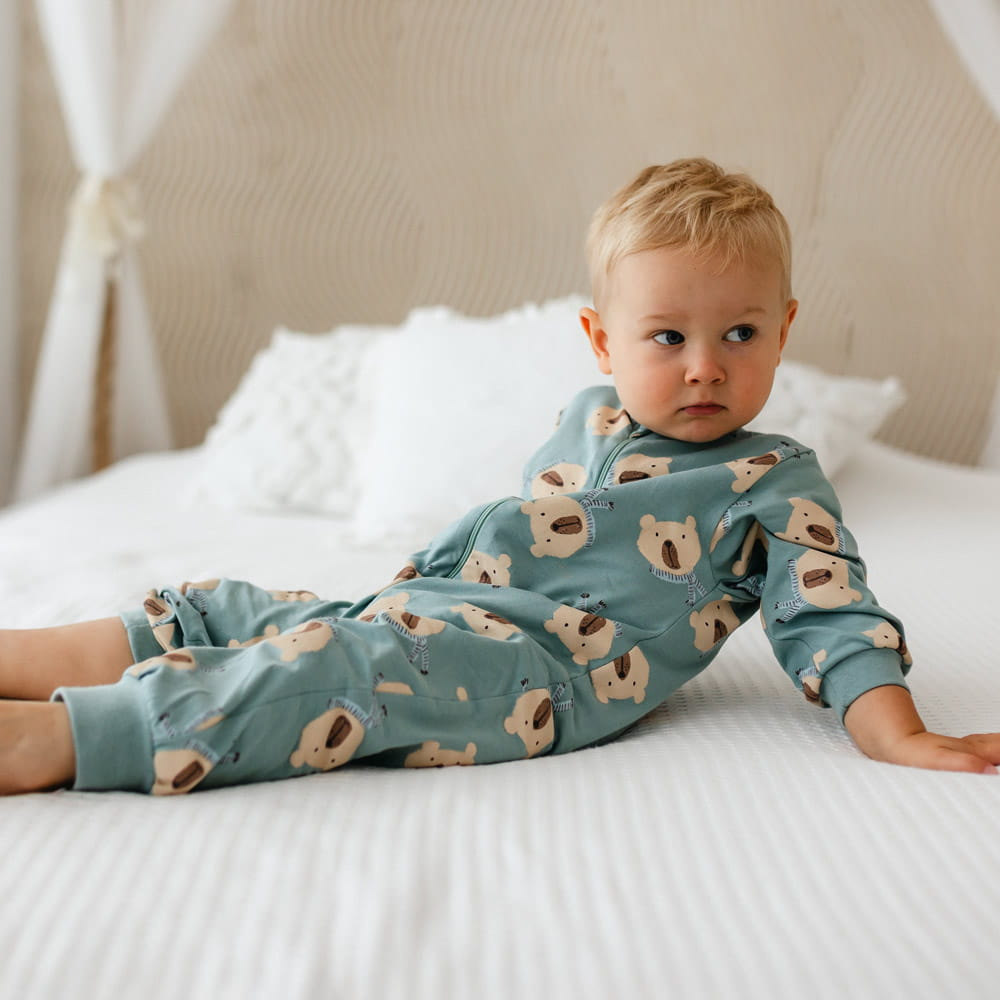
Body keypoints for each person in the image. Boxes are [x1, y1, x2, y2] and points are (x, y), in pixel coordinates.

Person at [2, 157, 997, 795]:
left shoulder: (772, 483)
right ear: (602, 340)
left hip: (539, 677)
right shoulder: (587, 416)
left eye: (739, 333)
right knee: (230, 607)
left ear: (783, 330)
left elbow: (833, 614)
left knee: (334, 670)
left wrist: (898, 735)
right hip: (436, 608)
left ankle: (59, 740)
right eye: (668, 336)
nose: (704, 365)